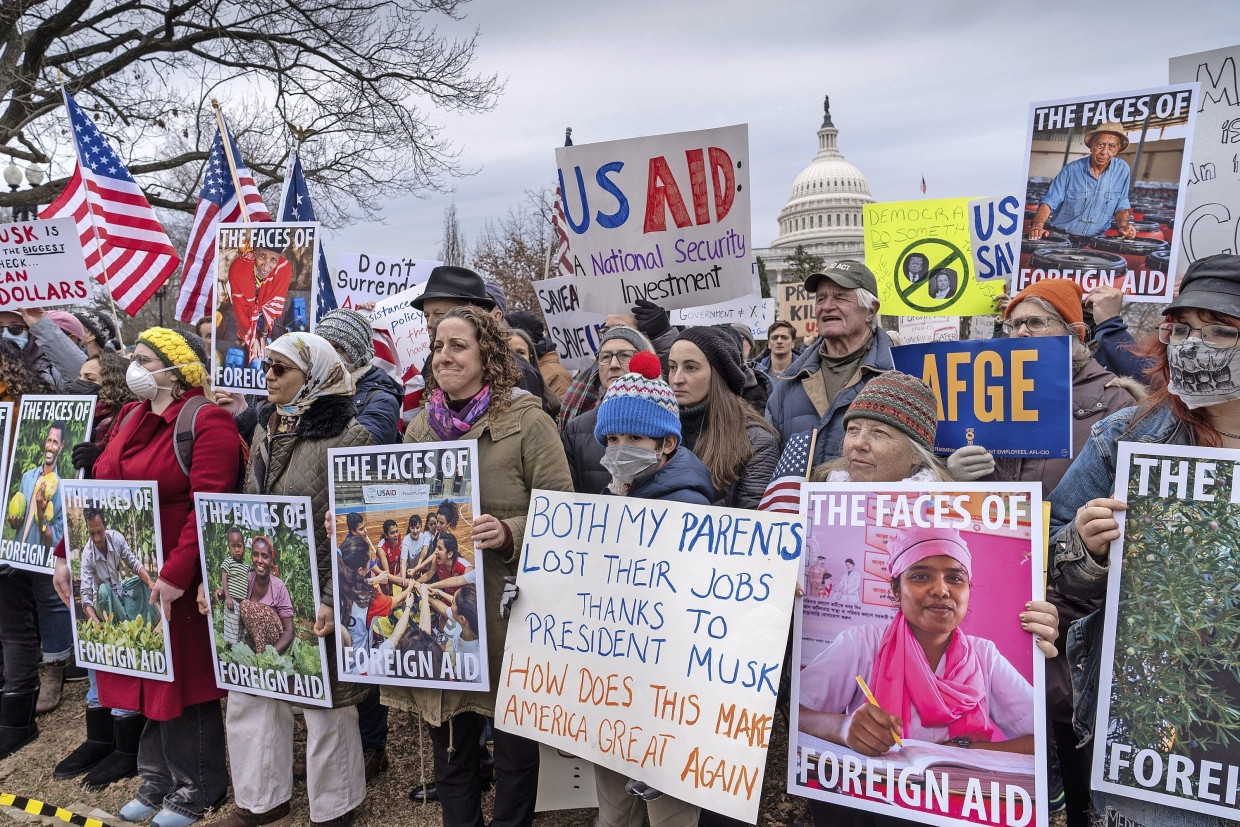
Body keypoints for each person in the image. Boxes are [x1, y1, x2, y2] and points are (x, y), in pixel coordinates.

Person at [1048, 253, 1240, 827]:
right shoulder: (1127, 435)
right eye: (1181, 329)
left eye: (1220, 332)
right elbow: (1052, 552)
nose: (1193, 345)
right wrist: (1087, 547)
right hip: (1153, 731)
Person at [384, 304, 573, 825]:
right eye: (438, 346)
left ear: (486, 355)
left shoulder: (527, 422)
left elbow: (565, 511)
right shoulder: (422, 427)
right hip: (443, 615)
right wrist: (358, 516)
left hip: (506, 611)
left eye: (457, 346)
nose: (443, 355)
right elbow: (399, 510)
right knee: (450, 741)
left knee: (513, 747)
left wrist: (511, 530)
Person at [52, 327, 243, 827]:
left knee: (184, 685)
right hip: (133, 576)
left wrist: (178, 574)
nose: (132, 365)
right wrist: (64, 553)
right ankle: (157, 779)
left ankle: (198, 786)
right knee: (147, 680)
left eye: (143, 358)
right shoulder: (132, 417)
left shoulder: (208, 421)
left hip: (176, 580)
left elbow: (209, 508)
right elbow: (98, 492)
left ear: (175, 369)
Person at [220, 331, 371, 827]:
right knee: (254, 688)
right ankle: (262, 800)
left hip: (325, 587)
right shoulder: (265, 428)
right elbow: (246, 509)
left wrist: (332, 596)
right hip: (265, 577)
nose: (267, 377)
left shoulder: (351, 436)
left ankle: (336, 805)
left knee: (327, 703)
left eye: (279, 369)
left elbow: (357, 529)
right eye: (266, 367)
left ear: (316, 374)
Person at [588, 349, 712, 825]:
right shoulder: (612, 496)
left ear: (665, 444)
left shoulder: (689, 504)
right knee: (615, 809)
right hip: (612, 689)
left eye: (635, 437)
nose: (621, 447)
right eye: (612, 437)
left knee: (668, 814)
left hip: (667, 701)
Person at [799, 526, 1038, 753]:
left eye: (955, 578)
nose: (941, 590)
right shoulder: (862, 644)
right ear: (896, 590)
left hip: (960, 792)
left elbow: (1040, 737)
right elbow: (795, 711)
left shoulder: (985, 657)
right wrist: (841, 728)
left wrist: (969, 751)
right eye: (921, 576)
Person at [766, 260, 895, 465]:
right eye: (820, 298)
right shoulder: (788, 384)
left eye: (840, 297)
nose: (826, 307)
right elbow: (767, 465)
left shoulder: (900, 376)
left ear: (870, 310)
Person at [6, 418, 75, 715]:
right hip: (18, 552)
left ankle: (56, 667)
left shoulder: (61, 487)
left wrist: (42, 515)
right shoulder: (26, 476)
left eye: (55, 442)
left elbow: (54, 538)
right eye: (48, 440)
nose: (50, 445)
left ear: (61, 448)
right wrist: (14, 523)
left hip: (44, 555)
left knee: (50, 598)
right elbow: (15, 522)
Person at [667, 326, 780, 508]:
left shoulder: (756, 442)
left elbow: (752, 522)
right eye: (673, 367)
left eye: (691, 367)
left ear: (720, 374)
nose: (677, 378)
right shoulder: (659, 432)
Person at [411, 265, 548, 408]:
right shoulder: (434, 362)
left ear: (474, 315)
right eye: (427, 315)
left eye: (440, 315)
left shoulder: (517, 371)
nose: (430, 323)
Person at [561, 326, 656, 495]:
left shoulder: (668, 420)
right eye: (605, 357)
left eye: (624, 355)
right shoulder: (575, 429)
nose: (613, 364)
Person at [1029, 122, 1138, 243]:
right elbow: (1049, 201)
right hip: (1061, 238)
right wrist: (1037, 226)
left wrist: (1123, 227)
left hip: (1095, 242)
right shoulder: (1071, 170)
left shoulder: (1122, 170)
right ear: (1091, 146)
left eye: (1111, 146)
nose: (1104, 152)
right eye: (1100, 145)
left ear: (1118, 149)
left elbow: (1122, 206)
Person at [317, 309, 404, 446]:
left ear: (356, 357)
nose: (329, 355)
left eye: (338, 348)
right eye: (322, 347)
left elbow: (358, 449)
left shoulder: (382, 400)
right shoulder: (307, 391)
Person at [78, 509, 156, 627]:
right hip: (102, 601)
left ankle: (146, 626)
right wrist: (97, 625)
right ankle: (119, 626)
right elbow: (86, 596)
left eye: (99, 532)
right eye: (92, 533)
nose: (97, 538)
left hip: (120, 591)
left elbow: (134, 564)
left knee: (142, 581)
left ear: (105, 525)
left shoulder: (116, 539)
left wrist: (150, 582)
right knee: (104, 590)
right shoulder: (87, 555)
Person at [226, 242, 293, 366]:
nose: (266, 266)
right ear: (255, 252)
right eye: (262, 256)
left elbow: (271, 309)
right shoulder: (239, 268)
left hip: (266, 321)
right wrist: (251, 336)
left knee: (262, 354)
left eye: (273, 260)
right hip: (241, 315)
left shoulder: (283, 269)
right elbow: (239, 306)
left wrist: (262, 336)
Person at [0, 306, 86, 390]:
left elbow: (83, 380)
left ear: (31, 333)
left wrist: (42, 326)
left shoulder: (48, 372)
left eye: (16, 328)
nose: (5, 335)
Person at [236, 536, 293, 657]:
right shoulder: (247, 578)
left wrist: (269, 655)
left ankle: (260, 654)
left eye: (265, 556)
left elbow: (289, 631)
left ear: (271, 560)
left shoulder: (279, 587)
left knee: (247, 606)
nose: (259, 560)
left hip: (273, 642)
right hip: (253, 636)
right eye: (255, 554)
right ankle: (250, 647)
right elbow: (232, 596)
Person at [507, 309, 572, 401]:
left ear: (530, 355)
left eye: (520, 353)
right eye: (508, 352)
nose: (514, 359)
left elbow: (564, 412)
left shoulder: (557, 375)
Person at [216, 527, 249, 646]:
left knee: (240, 629)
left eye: (239, 546)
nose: (237, 550)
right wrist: (228, 597)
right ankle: (231, 651)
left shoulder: (246, 566)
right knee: (232, 629)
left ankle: (239, 650)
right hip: (232, 601)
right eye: (233, 546)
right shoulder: (228, 562)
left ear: (244, 547)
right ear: (229, 548)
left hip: (242, 603)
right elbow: (224, 578)